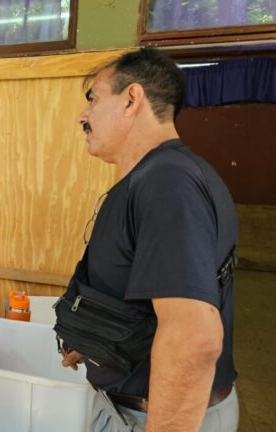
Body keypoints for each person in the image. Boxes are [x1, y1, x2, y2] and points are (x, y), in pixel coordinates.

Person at [58, 48, 238, 431]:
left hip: (153, 416)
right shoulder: (157, 178)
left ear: (131, 99)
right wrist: (95, 344)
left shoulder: (167, 182)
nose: (83, 115)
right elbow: (138, 301)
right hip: (129, 407)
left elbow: (194, 338)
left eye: (93, 98)